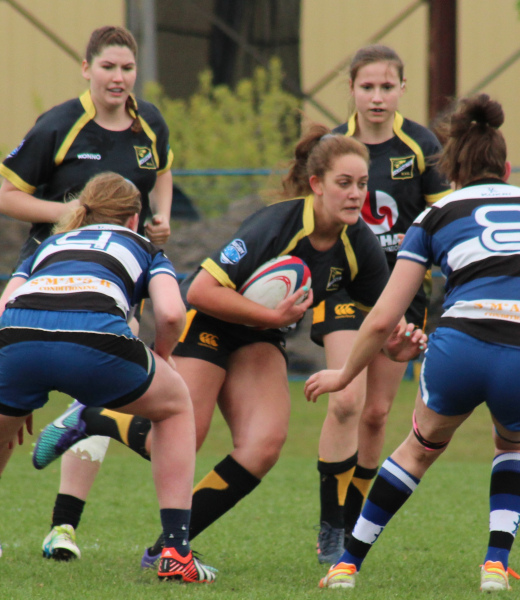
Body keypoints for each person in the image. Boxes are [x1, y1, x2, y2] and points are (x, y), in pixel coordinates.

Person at [32, 126, 427, 569]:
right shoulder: (275, 224)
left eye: (362, 184)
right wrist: (274, 318)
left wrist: (397, 347)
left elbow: (381, 320)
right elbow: (199, 290)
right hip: (210, 323)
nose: (356, 194)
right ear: (317, 185)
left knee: (264, 446)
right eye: (344, 183)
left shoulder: (360, 245)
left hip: (259, 337)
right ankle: (95, 416)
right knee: (180, 435)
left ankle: (166, 547)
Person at [305, 93, 520, 592]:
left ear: (451, 172)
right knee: (515, 443)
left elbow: (382, 319)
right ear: (507, 168)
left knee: (419, 449)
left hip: (461, 344)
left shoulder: (435, 216)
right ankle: (494, 566)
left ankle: (346, 565)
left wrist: (344, 374)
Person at [0, 25, 174, 560]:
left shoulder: (151, 124)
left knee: (96, 393)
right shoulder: (59, 124)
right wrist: (75, 219)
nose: (118, 78)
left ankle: (63, 528)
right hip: (51, 275)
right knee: (8, 420)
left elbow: (162, 174)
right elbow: (7, 195)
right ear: (86, 69)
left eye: (126, 69)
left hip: (118, 280)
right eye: (108, 68)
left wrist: (159, 220)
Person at [0, 172, 214, 582]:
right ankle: (175, 551)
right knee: (175, 406)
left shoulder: (48, 246)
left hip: (17, 341)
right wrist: (162, 359)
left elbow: (5, 308)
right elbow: (171, 313)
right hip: (96, 343)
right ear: (134, 218)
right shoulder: (145, 247)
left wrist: (12, 384)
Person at [312, 44, 449, 564]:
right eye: (367, 87)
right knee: (344, 400)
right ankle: (330, 526)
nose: (376, 96)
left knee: (375, 413)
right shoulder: (332, 145)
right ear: (350, 89)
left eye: (386, 86)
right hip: (343, 288)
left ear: (401, 89)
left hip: (402, 293)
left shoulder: (421, 145)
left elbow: (441, 221)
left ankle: (353, 523)